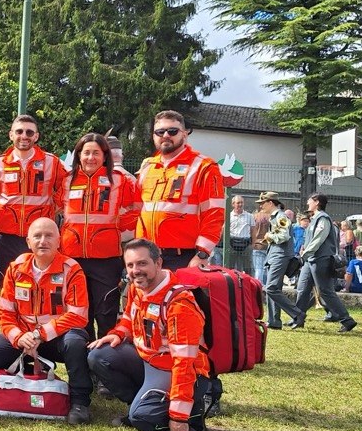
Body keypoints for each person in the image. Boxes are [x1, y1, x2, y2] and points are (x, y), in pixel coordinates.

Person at [87, 238, 212, 431]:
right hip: (147, 361)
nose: (136, 270)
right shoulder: (138, 287)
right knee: (99, 355)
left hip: (176, 370)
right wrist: (119, 333)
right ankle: (141, 402)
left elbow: (184, 363)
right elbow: (129, 317)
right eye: (130, 265)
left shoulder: (180, 304)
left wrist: (178, 417)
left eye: (142, 263)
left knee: (143, 419)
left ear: (159, 263)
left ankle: (191, 411)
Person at [0, 217, 93, 425]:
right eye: (37, 236)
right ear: (28, 242)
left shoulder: (72, 269)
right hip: (25, 337)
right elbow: (4, 311)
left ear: (58, 241)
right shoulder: (16, 267)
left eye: (49, 236)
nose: (43, 241)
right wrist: (19, 337)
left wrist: (40, 334)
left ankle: (80, 402)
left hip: (58, 339)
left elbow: (78, 315)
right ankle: (31, 371)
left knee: (75, 343)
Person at [59, 132, 139, 337]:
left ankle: (103, 363)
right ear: (78, 155)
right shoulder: (66, 181)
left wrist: (115, 228)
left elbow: (137, 208)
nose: (90, 158)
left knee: (106, 314)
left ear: (105, 156)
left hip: (106, 259)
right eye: (86, 153)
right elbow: (56, 207)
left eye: (96, 153)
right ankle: (80, 362)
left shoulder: (119, 180)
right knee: (78, 313)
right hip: (72, 257)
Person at [135, 110, 225, 270]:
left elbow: (214, 214)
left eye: (172, 131)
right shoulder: (148, 167)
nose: (166, 135)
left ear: (184, 134)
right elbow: (136, 210)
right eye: (160, 132)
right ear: (154, 136)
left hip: (184, 258)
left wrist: (202, 254)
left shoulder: (204, 166)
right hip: (146, 256)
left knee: (181, 296)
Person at [0, 114, 67, 281]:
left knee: (39, 281)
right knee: (7, 281)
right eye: (19, 131)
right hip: (6, 235)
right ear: (11, 135)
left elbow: (67, 188)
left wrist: (54, 208)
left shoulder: (52, 162)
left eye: (29, 133)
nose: (24, 136)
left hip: (39, 235)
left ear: (36, 136)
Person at [289, 193, 356, 332]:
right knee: (302, 288)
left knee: (325, 291)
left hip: (320, 259)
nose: (307, 202)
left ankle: (347, 320)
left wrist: (305, 253)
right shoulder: (315, 219)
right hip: (310, 259)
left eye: (310, 200)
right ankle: (298, 318)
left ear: (317, 202)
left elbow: (319, 239)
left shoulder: (323, 218)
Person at [257, 192, 302, 330]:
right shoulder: (276, 217)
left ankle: (297, 314)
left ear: (271, 203)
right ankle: (274, 321)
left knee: (271, 288)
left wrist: (269, 236)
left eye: (262, 203)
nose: (261, 206)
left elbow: (284, 235)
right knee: (273, 289)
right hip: (275, 256)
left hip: (279, 256)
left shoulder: (281, 217)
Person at [225, 194, 253, 273]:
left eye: (242, 202)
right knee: (230, 267)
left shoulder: (249, 216)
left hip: (246, 243)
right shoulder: (228, 216)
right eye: (238, 203)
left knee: (248, 267)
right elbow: (224, 229)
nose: (240, 204)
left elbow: (253, 230)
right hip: (232, 243)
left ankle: (249, 283)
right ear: (233, 204)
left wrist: (253, 243)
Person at [249, 202, 271, 283]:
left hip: (257, 245)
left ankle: (259, 286)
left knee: (258, 269)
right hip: (268, 245)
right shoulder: (270, 217)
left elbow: (251, 231)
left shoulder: (254, 216)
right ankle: (266, 287)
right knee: (266, 269)